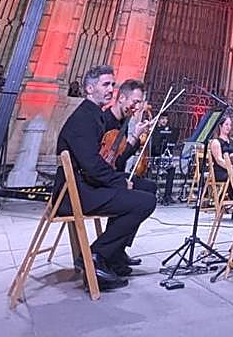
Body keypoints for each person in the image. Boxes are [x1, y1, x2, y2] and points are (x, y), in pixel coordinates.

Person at [52, 65, 156, 292]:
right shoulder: (84, 118)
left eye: (112, 84)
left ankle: (110, 254)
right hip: (75, 193)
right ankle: (96, 255)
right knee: (145, 201)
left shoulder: (94, 115)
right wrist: (121, 182)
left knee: (146, 191)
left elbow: (108, 161)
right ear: (90, 89)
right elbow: (92, 165)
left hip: (85, 186)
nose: (111, 89)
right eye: (105, 84)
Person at [100, 79, 157, 266]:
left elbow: (120, 159)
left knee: (149, 187)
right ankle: (106, 251)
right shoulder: (104, 120)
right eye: (135, 101)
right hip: (101, 179)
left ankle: (119, 247)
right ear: (122, 98)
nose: (137, 107)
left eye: (139, 102)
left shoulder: (123, 122)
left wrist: (135, 137)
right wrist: (119, 181)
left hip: (112, 174)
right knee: (141, 199)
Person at [208, 113, 233, 182]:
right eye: (226, 124)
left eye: (230, 125)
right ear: (220, 126)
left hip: (232, 169)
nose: (228, 127)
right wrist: (230, 168)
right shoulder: (216, 142)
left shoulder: (232, 141)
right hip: (221, 171)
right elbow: (219, 160)